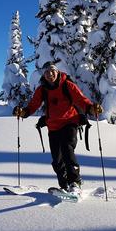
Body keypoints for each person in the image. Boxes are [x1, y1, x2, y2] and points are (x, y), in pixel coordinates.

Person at [13, 61, 103, 193]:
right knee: (57, 159)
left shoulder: (67, 85)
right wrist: (23, 112)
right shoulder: (42, 89)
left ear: (57, 72)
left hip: (70, 122)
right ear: (44, 75)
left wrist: (91, 108)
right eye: (47, 72)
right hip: (53, 127)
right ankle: (64, 185)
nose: (50, 74)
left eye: (52, 71)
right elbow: (33, 105)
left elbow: (81, 100)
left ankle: (75, 182)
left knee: (67, 150)